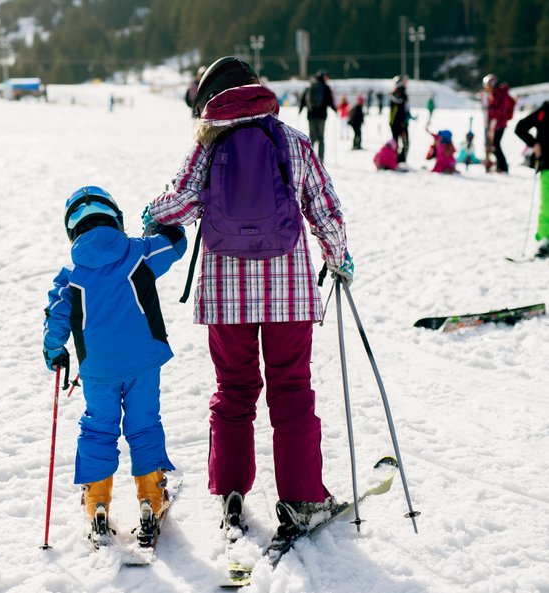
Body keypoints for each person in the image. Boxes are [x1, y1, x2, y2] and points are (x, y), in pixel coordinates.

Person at [144, 57, 351, 544]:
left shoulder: (208, 146)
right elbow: (325, 207)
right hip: (288, 291)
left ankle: (232, 490)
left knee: (234, 389)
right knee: (292, 389)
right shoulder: (291, 139)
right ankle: (302, 499)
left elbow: (181, 204)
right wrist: (339, 258)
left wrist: (152, 213)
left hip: (225, 295)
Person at [42, 185, 187, 547]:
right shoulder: (140, 252)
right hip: (143, 361)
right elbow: (176, 244)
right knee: (143, 424)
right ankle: (150, 499)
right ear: (116, 219)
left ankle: (97, 504)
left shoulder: (71, 277)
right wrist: (162, 226)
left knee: (98, 429)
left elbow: (56, 323)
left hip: (98, 370)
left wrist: (54, 351)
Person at [514, 101, 549, 258]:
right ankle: (545, 239)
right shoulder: (545, 110)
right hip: (547, 165)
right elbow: (520, 127)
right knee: (547, 205)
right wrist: (534, 143)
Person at [298, 70, 336, 161]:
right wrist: (335, 110)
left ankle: (311, 158)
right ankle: (321, 158)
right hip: (322, 116)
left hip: (311, 115)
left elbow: (303, 99)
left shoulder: (309, 85)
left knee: (312, 138)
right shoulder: (325, 87)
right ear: (323, 77)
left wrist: (300, 110)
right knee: (321, 138)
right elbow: (330, 101)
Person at [483, 74, 516, 174]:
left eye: (489, 86)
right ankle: (500, 166)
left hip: (499, 124)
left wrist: (493, 116)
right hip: (494, 124)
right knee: (494, 145)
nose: (488, 89)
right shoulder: (494, 94)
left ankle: (503, 166)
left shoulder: (501, 95)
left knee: (496, 145)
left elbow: (501, 111)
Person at [389, 75, 410, 164]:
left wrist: (409, 116)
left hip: (402, 123)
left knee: (405, 142)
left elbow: (406, 108)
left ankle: (401, 159)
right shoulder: (396, 94)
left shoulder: (403, 94)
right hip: (395, 123)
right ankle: (395, 159)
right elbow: (399, 101)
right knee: (396, 142)